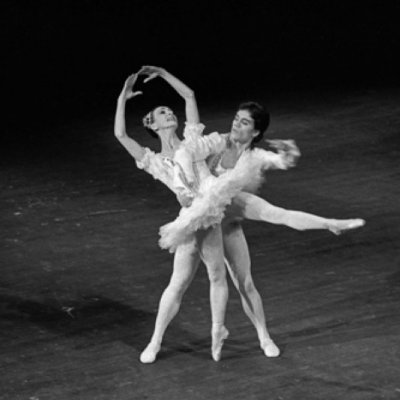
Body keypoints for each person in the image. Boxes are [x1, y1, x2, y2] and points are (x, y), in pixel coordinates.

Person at [115, 66, 365, 363]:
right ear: (151, 124)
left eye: (170, 111)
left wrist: (164, 73)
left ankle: (257, 334)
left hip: (219, 204)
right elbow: (120, 134)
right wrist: (122, 97)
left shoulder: (193, 142)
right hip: (195, 216)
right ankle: (157, 341)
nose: (169, 114)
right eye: (161, 113)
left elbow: (189, 96)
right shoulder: (154, 161)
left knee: (241, 271)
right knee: (180, 282)